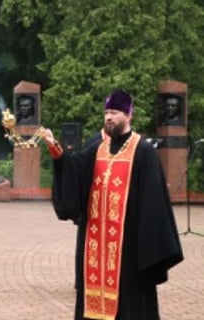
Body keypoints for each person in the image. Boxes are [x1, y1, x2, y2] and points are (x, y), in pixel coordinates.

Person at [42, 89, 183, 319]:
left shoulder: (143, 152)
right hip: (96, 243)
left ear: (129, 115)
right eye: (107, 112)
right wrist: (56, 152)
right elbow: (74, 171)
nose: (109, 117)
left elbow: (154, 205)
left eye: (115, 112)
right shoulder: (97, 148)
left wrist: (147, 249)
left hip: (129, 248)